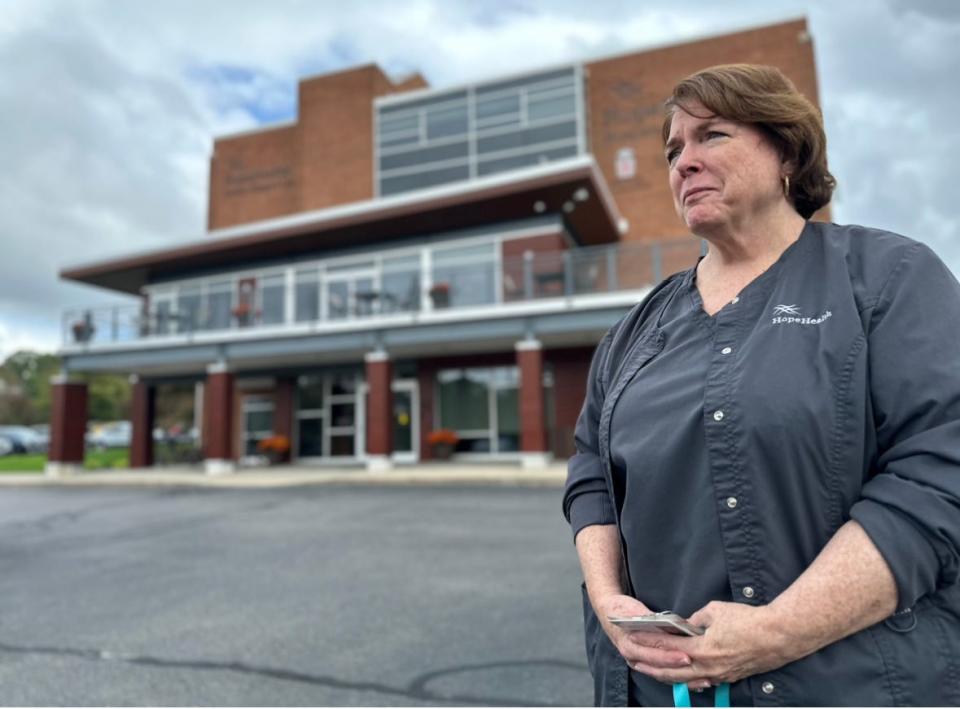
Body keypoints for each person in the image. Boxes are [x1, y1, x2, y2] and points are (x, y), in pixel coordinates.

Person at [562, 63, 960, 706]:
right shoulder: (637, 329)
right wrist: (610, 605)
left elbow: (939, 476)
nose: (683, 163)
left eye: (711, 136)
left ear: (786, 152)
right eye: (673, 150)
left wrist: (777, 632)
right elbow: (591, 475)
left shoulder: (888, 279)